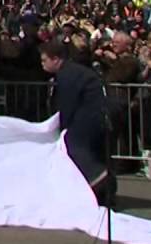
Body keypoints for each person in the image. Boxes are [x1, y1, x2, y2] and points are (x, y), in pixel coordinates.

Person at [40, 41, 113, 206]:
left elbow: (68, 103)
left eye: (45, 60)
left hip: (88, 118)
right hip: (96, 115)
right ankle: (103, 194)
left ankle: (99, 184)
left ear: (56, 59)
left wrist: (62, 126)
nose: (42, 64)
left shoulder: (67, 75)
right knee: (94, 154)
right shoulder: (73, 71)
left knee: (78, 151)